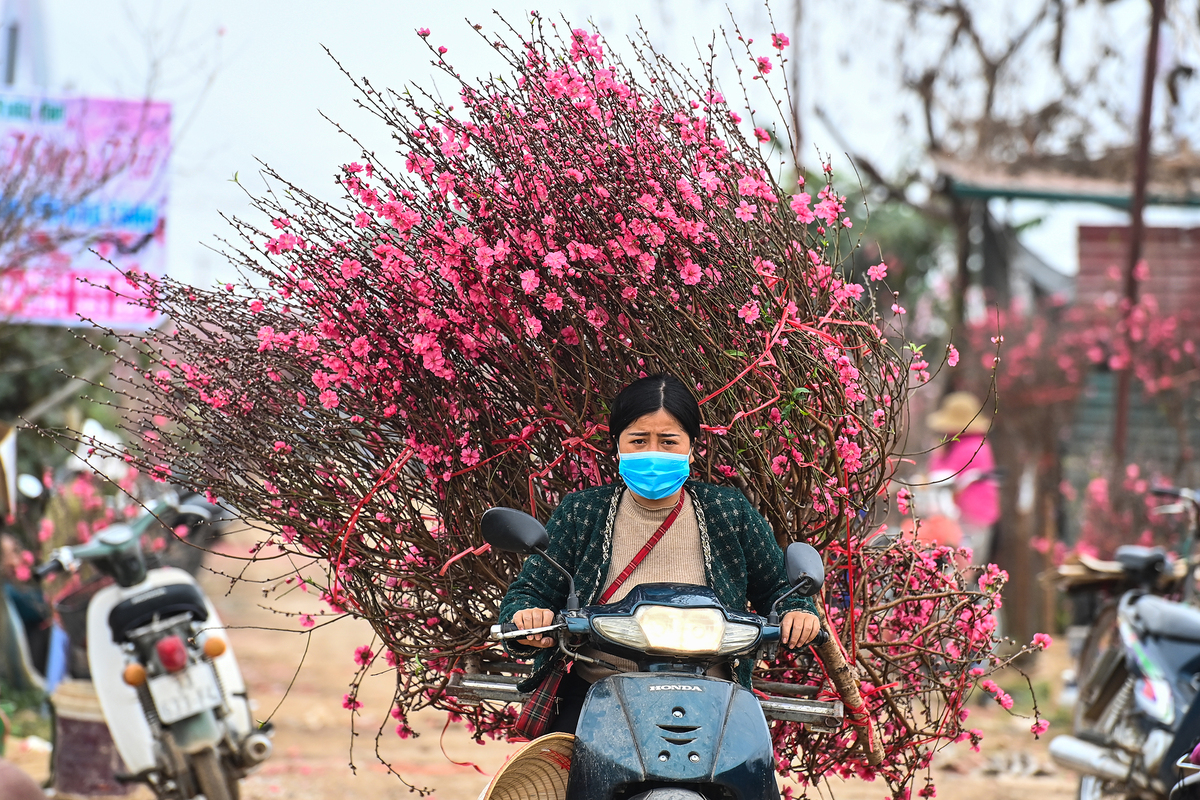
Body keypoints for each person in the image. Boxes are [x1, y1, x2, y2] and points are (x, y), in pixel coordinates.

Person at [499, 373, 822, 736]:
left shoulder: (729, 512)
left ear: (691, 447)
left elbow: (778, 588)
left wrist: (799, 611)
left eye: (668, 441)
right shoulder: (581, 511)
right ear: (617, 447)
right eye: (639, 440)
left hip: (715, 702)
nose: (653, 453)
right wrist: (527, 618)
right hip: (599, 697)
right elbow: (529, 592)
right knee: (544, 784)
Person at [925, 391, 1000, 565]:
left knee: (963, 567)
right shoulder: (963, 444)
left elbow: (940, 476)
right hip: (963, 517)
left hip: (971, 518)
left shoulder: (971, 447)